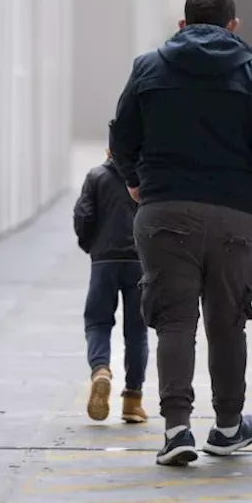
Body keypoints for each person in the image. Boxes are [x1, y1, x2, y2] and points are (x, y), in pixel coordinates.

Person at [110, 0, 252, 467]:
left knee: (174, 321)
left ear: (182, 24)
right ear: (233, 26)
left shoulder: (148, 66)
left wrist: (135, 181)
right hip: (234, 216)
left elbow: (121, 134)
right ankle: (228, 427)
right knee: (227, 324)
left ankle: (177, 430)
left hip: (163, 212)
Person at [73, 149, 148, 424]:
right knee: (137, 331)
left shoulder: (96, 177)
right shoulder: (148, 177)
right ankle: (132, 401)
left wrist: (92, 246)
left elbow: (83, 216)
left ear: (108, 150)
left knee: (97, 322)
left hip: (104, 260)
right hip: (140, 261)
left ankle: (101, 370)